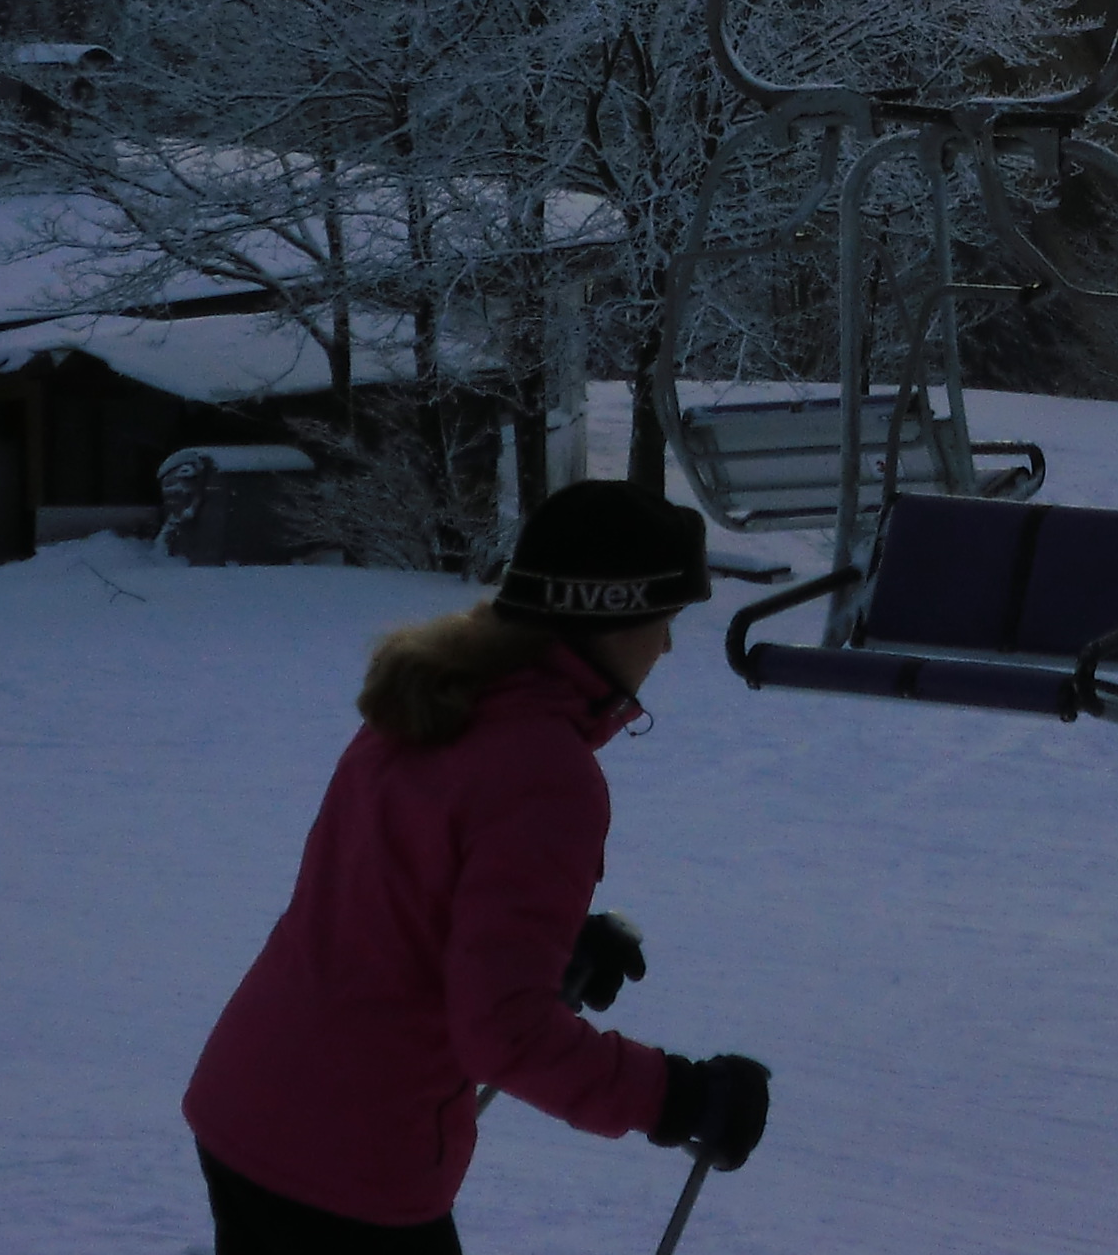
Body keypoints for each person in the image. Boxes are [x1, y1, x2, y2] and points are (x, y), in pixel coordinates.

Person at [184, 481, 775, 1254]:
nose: (665, 647)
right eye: (663, 621)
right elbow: (505, 1035)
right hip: (352, 1161)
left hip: (253, 1102)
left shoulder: (436, 696)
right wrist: (678, 1097)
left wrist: (545, 947)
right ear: (610, 617)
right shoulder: (545, 770)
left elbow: (393, 901)